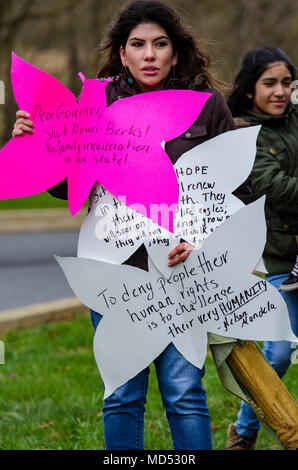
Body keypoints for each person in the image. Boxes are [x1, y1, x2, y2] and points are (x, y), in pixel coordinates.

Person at [12, 0, 240, 450]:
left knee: (184, 394)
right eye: (138, 45)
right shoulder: (93, 106)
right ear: (122, 53)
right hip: (114, 274)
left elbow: (239, 187)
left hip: (183, 274)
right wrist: (38, 143)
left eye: (160, 44)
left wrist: (201, 241)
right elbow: (69, 188)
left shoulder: (206, 108)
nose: (149, 54)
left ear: (175, 53)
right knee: (121, 394)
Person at [226, 46, 298, 450]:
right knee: (281, 352)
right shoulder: (242, 135)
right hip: (278, 262)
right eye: (269, 83)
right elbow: (276, 189)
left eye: (287, 83)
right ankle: (244, 430)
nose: (280, 91)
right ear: (250, 89)